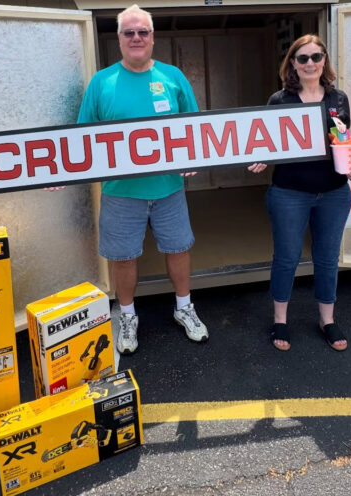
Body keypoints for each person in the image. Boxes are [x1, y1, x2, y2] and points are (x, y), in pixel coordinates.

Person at [74, 4, 207, 355]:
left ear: (152, 37)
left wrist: (192, 159)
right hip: (121, 193)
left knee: (178, 249)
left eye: (142, 32)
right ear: (118, 38)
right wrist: (56, 172)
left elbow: (194, 129)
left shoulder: (172, 77)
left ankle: (184, 308)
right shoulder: (101, 82)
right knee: (123, 256)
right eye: (129, 32)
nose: (136, 37)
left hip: (168, 189)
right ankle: (128, 316)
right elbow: (82, 138)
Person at [248, 34, 351, 352]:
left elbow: (342, 144)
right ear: (293, 64)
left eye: (316, 57)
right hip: (289, 193)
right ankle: (280, 320)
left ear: (324, 61)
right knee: (286, 258)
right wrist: (262, 154)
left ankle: (327, 320)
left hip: (334, 193)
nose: (310, 63)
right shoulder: (280, 101)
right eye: (303, 58)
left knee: (327, 259)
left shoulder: (338, 99)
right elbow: (268, 140)